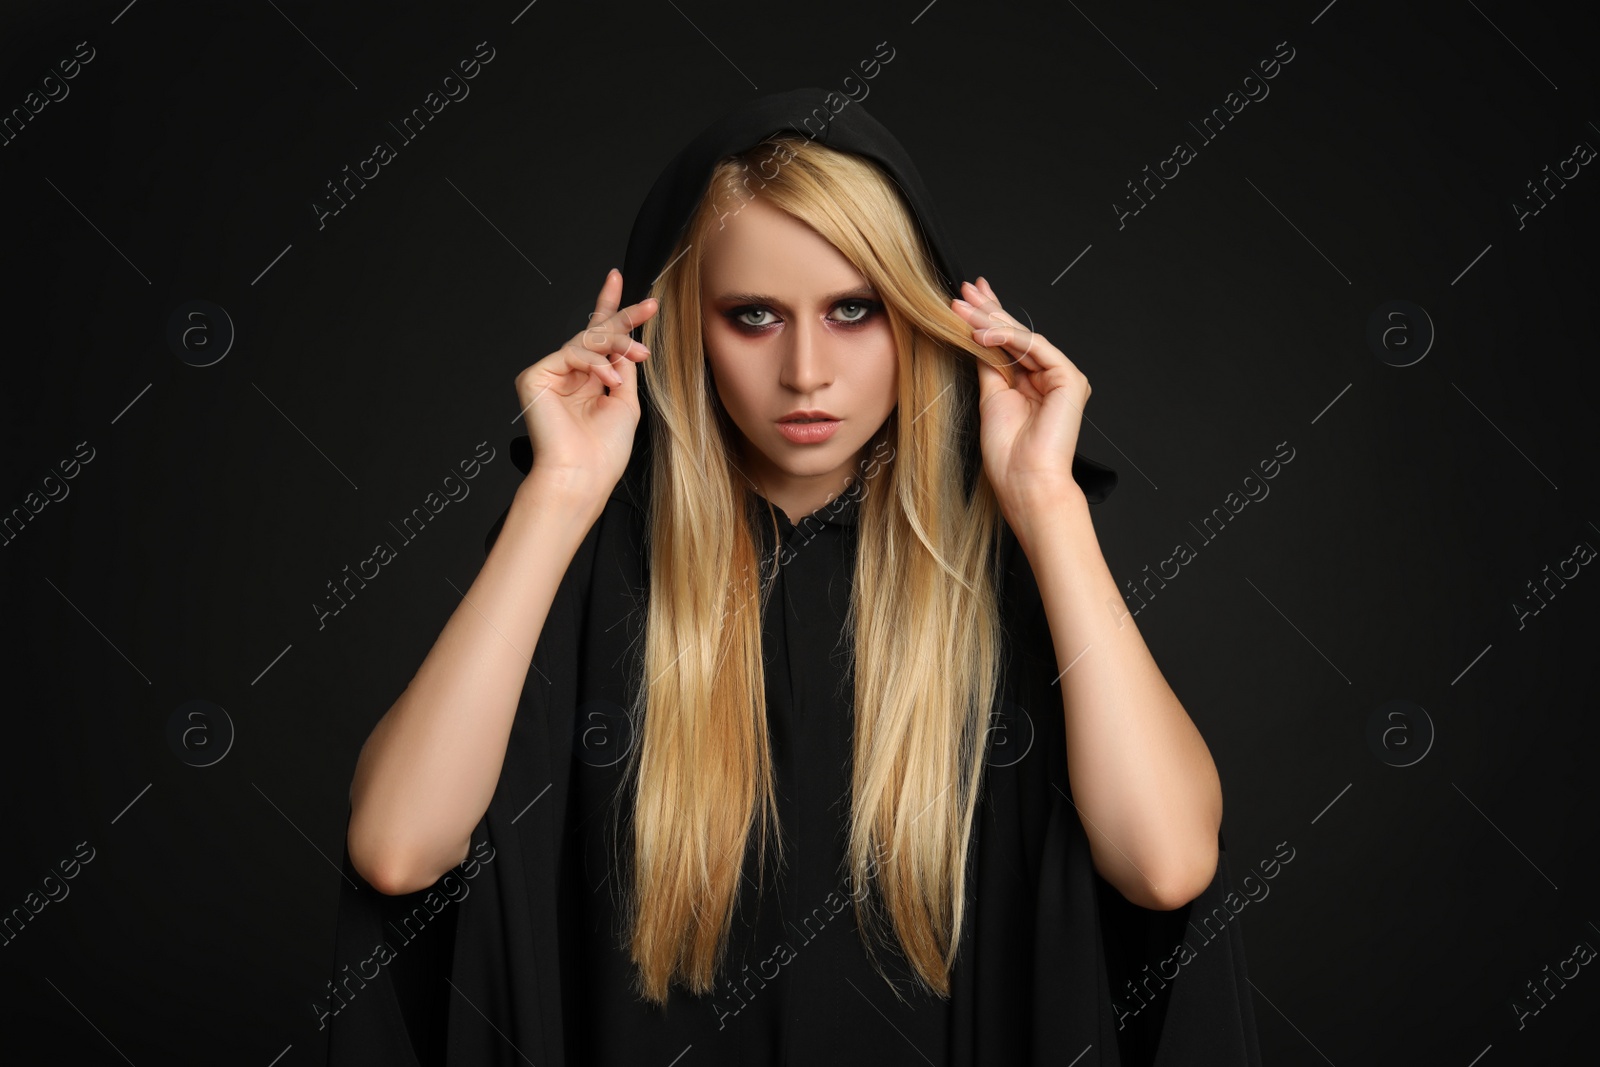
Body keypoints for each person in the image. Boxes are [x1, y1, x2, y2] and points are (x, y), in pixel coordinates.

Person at [324, 88, 1263, 1065]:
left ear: (912, 314)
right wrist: (556, 494)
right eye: (755, 315)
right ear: (685, 325)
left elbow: (1166, 867)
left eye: (854, 309)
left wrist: (1049, 506)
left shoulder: (1006, 566)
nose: (806, 370)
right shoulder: (588, 559)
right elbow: (395, 850)